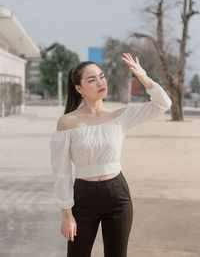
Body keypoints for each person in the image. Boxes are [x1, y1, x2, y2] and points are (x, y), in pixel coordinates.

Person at [50, 53, 172, 257]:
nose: (100, 82)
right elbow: (61, 172)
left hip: (118, 195)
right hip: (84, 196)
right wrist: (66, 214)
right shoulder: (67, 123)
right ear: (79, 89)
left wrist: (143, 77)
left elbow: (163, 104)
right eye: (92, 80)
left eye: (102, 76)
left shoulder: (121, 116)